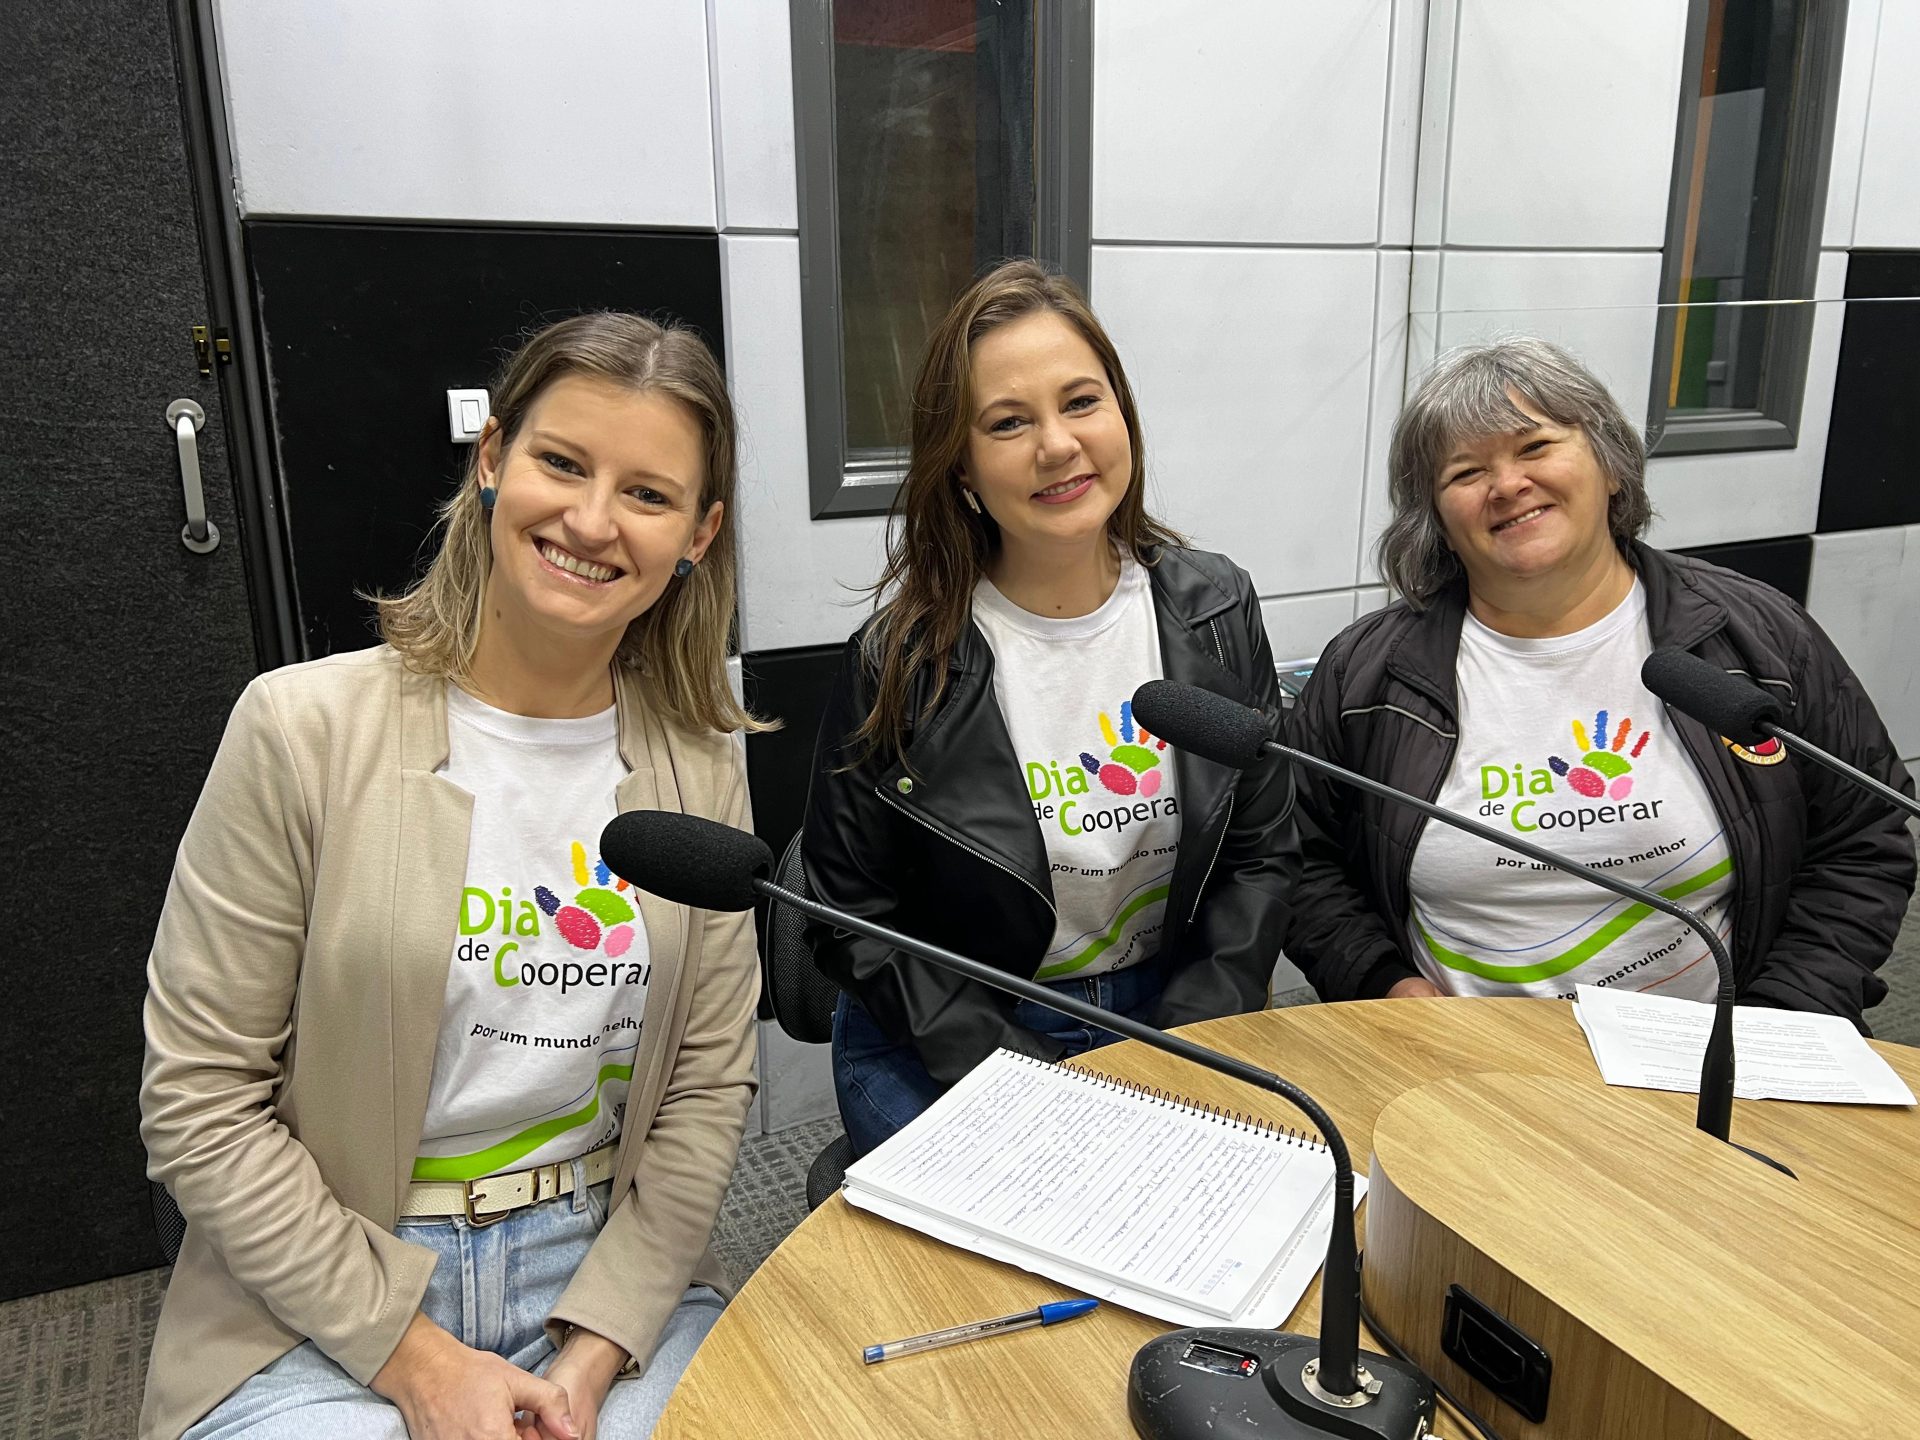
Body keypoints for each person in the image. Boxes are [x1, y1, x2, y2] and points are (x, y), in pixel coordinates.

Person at [139, 312, 769, 1440]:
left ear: (698, 533)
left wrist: (594, 1357)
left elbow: (709, 1087)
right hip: (321, 1286)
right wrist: (417, 1361)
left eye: (647, 493)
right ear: (492, 461)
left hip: (604, 1268)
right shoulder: (299, 730)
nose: (591, 521)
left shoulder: (701, 765)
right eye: (561, 464)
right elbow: (199, 1103)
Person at [802, 259, 1298, 1157]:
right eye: (1008, 422)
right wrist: (1025, 1080)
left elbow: (1260, 856)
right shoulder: (897, 663)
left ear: (1122, 416)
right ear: (960, 466)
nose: (1059, 445)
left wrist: (1183, 1046)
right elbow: (852, 919)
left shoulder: (1218, 608)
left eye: (1081, 402)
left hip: (1170, 1006)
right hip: (951, 1034)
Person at [1284, 336, 1914, 1023]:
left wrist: (1776, 1018)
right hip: (1464, 1060)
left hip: (1718, 1051)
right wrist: (1381, 983)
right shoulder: (1365, 674)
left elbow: (1863, 841)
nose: (1507, 485)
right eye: (1465, 472)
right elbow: (1300, 857)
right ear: (1433, 518)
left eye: (1535, 447)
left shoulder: (1759, 636)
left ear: (1612, 465)